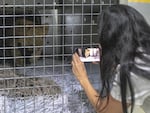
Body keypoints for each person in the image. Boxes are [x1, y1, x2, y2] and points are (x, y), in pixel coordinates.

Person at [71, 4, 150, 113]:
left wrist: (82, 78)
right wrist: (112, 61)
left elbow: (106, 111)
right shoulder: (144, 51)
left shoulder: (134, 70)